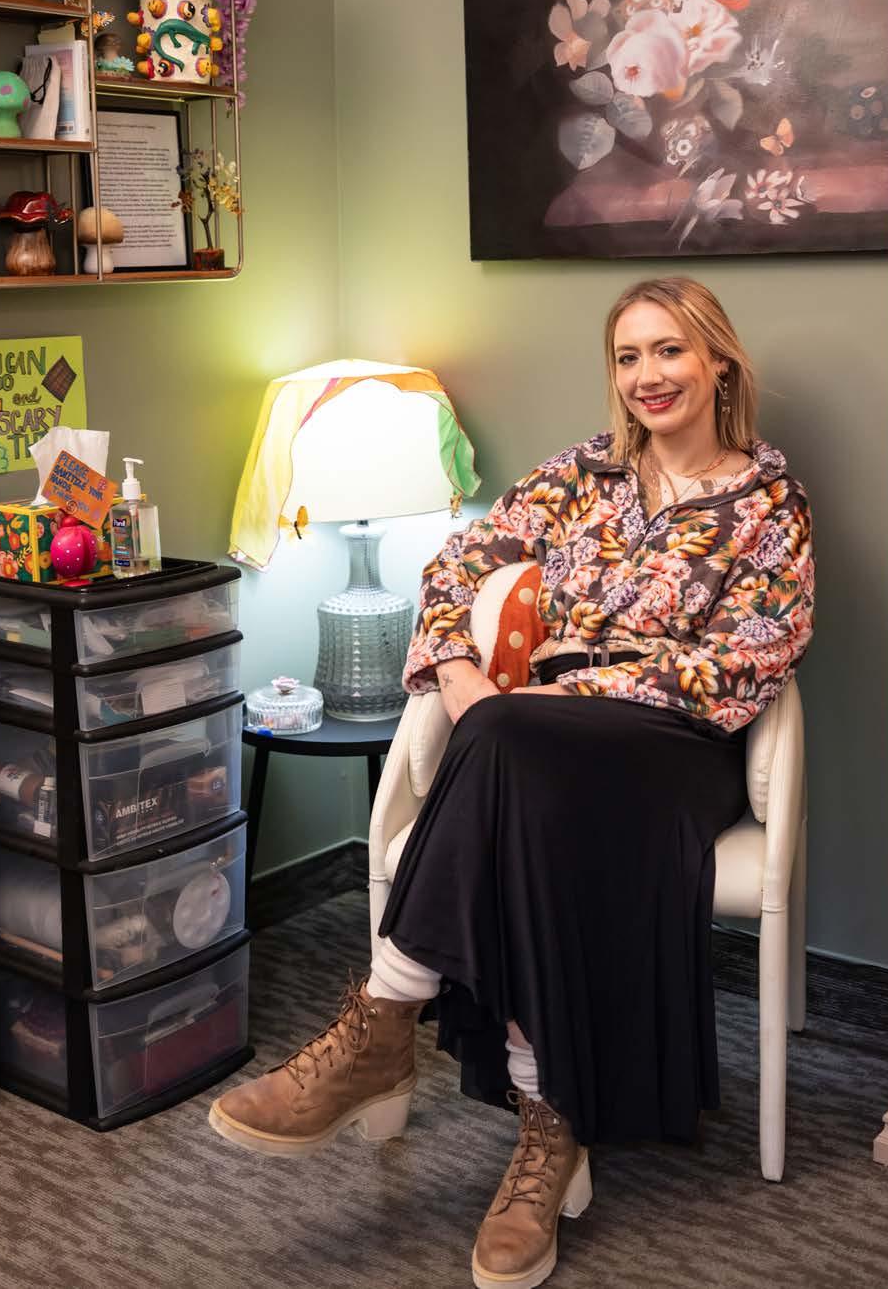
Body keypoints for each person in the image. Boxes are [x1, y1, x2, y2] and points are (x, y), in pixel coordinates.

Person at [210, 276, 814, 1289]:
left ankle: (382, 1022)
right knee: (510, 751)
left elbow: (751, 657)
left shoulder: (769, 503)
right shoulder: (580, 475)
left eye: (669, 350)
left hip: (672, 748)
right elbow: (453, 570)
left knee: (508, 734)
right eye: (628, 356)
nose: (648, 375)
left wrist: (562, 692)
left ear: (719, 362)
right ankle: (548, 1123)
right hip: (534, 742)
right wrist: (457, 672)